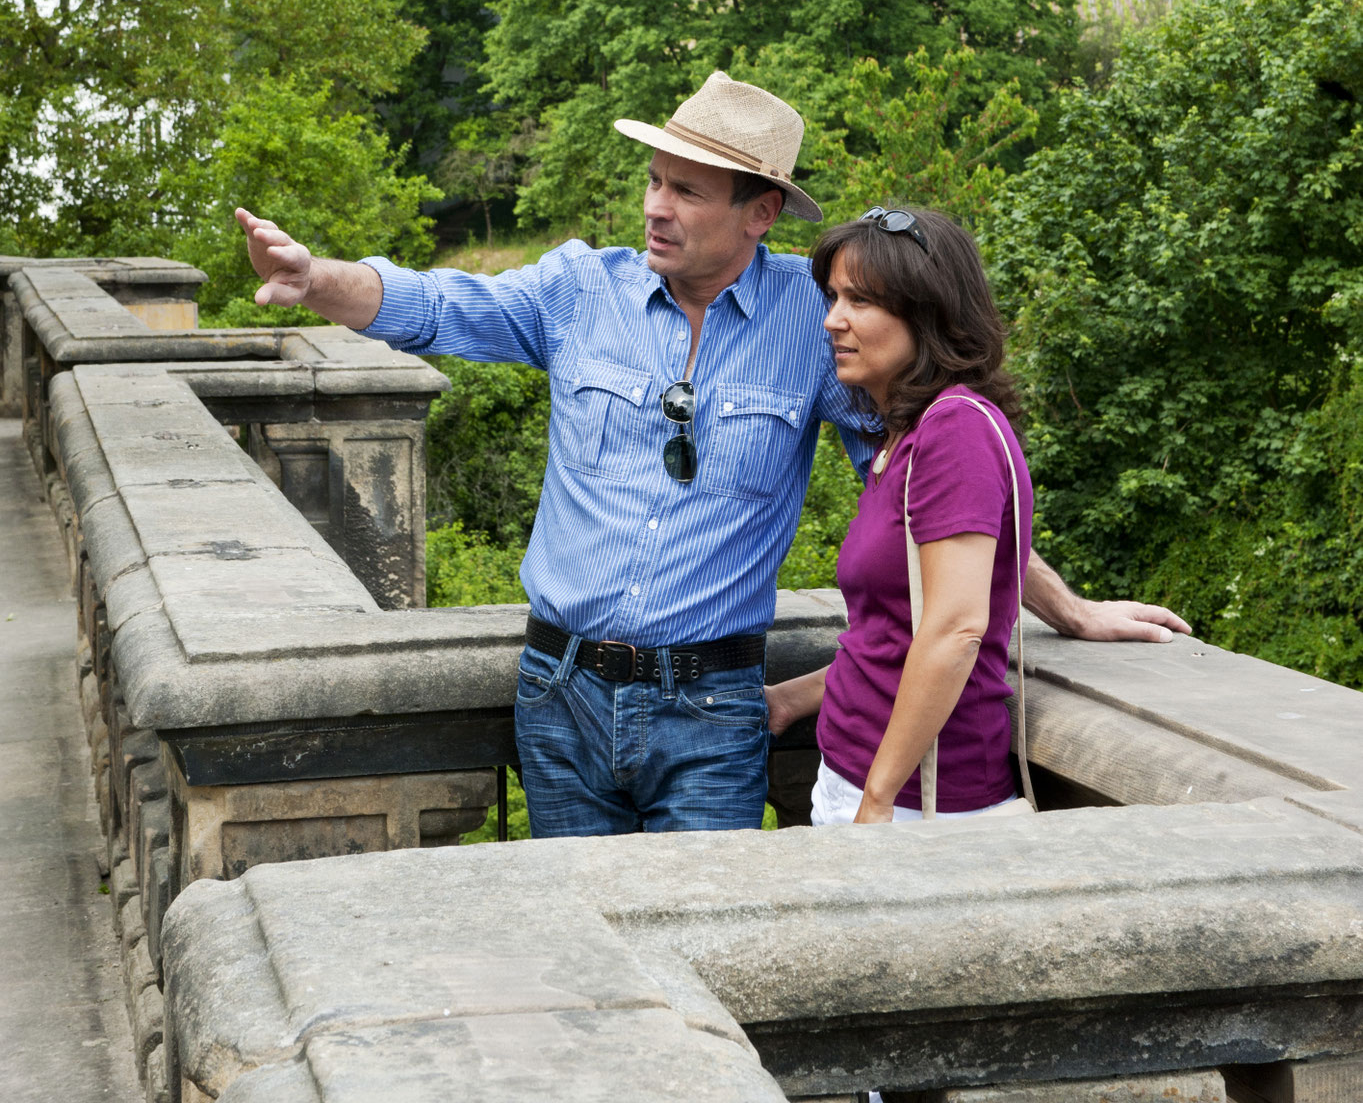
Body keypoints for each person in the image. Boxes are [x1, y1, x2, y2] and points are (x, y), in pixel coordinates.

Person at [235, 70, 1187, 839]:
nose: (655, 206)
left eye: (686, 190)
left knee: (709, 954)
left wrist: (1065, 607)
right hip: (558, 692)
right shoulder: (578, 290)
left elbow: (934, 505)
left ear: (759, 212)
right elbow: (437, 306)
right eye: (653, 180)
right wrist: (314, 276)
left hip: (715, 707)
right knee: (587, 954)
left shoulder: (818, 328)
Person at [766, 205, 1039, 825]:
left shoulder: (955, 433)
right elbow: (890, 637)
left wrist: (878, 800)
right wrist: (793, 698)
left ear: (928, 311)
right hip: (858, 773)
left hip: (919, 803)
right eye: (832, 296)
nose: (833, 320)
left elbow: (955, 630)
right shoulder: (906, 438)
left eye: (861, 301)